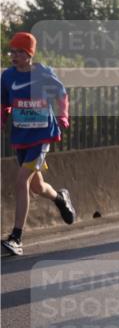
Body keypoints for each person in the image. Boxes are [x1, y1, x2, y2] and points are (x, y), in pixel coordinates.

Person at [1, 32, 76, 256]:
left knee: (22, 180)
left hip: (42, 135)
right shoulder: (7, 76)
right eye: (12, 51)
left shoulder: (42, 73)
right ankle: (60, 198)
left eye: (20, 52)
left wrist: (63, 116)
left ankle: (16, 237)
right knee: (37, 186)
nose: (14, 56)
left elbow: (61, 94)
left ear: (30, 54)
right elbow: (4, 103)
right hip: (21, 137)